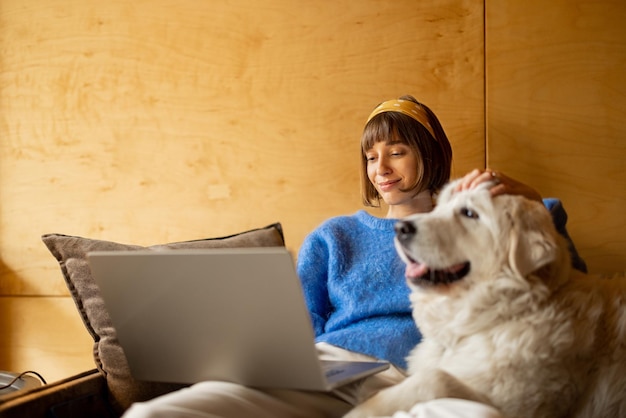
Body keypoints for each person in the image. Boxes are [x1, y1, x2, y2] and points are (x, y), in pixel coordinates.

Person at [123, 95, 586, 418]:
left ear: (431, 155)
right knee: (170, 411)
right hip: (332, 369)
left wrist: (528, 198)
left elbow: (563, 285)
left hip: (434, 373)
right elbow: (298, 328)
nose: (380, 168)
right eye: (370, 157)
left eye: (397, 152)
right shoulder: (334, 236)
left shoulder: (476, 227)